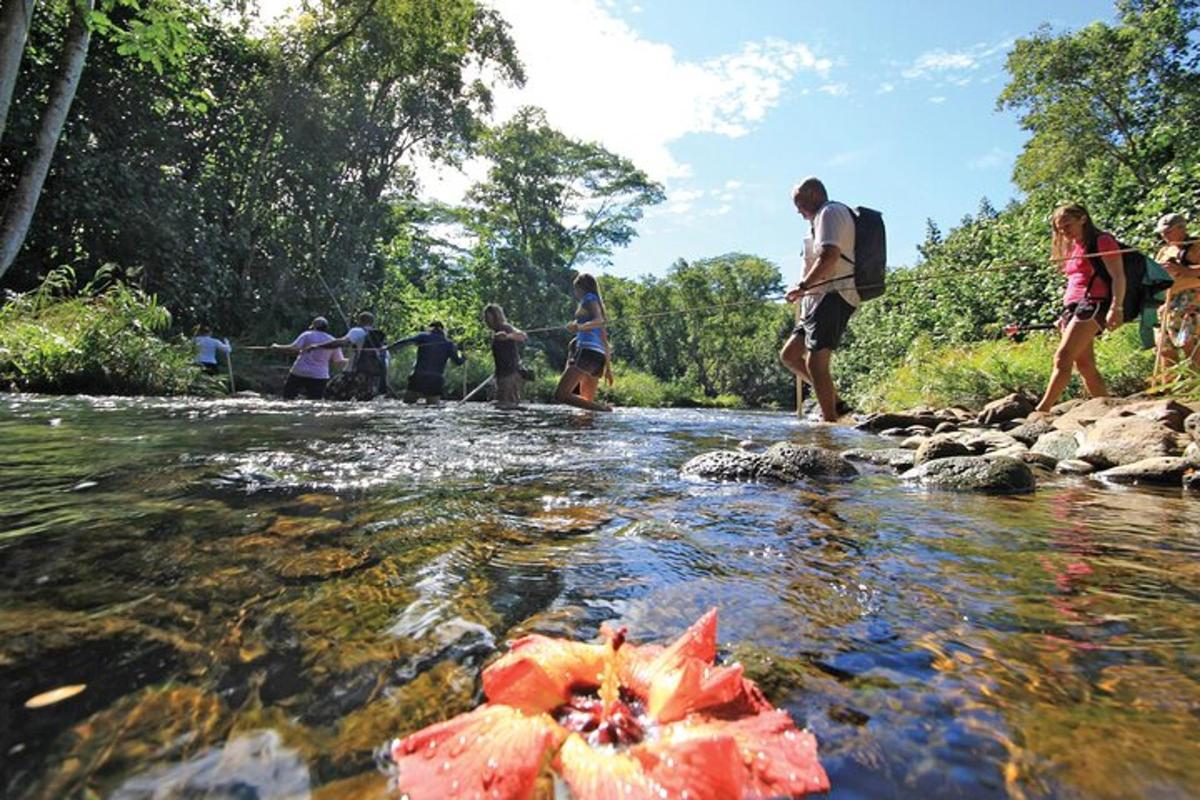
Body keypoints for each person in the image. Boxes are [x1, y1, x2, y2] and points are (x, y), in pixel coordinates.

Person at [1034, 202, 1125, 413]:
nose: (1064, 231)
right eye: (1059, 227)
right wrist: (1064, 316)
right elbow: (1075, 281)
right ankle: (1109, 410)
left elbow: (1118, 275)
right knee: (1085, 366)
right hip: (1073, 307)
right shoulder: (1075, 246)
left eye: (1067, 224)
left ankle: (1042, 409)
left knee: (1062, 357)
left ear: (1083, 219)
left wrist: (1116, 307)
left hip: (1094, 305)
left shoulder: (1102, 241)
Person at [779, 177, 857, 422]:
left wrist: (803, 286)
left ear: (813, 194)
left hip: (833, 295)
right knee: (790, 355)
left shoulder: (830, 213)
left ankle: (829, 423)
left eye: (799, 203)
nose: (798, 210)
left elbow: (829, 256)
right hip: (815, 301)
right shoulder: (820, 218)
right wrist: (803, 292)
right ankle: (835, 403)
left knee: (815, 363)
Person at [554, 273, 614, 412]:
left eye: (575, 289)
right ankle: (588, 431)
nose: (575, 293)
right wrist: (608, 369)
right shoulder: (597, 303)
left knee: (561, 395)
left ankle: (604, 410)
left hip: (587, 352)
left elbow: (599, 320)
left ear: (580, 288)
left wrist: (579, 327)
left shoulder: (588, 298)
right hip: (598, 357)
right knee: (586, 407)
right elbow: (604, 341)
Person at [307, 311, 390, 400]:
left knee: (329, 395)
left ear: (359, 321)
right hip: (373, 380)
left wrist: (318, 346)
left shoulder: (357, 331)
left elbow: (342, 342)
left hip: (353, 374)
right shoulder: (380, 338)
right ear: (372, 322)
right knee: (362, 404)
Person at [1154, 213, 1200, 370]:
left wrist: (1181, 270)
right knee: (1164, 348)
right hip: (1167, 305)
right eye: (1162, 232)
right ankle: (1167, 386)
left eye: (1168, 231)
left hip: (1191, 304)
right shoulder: (1164, 251)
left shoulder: (1196, 246)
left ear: (1182, 228)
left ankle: (1195, 384)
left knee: (1188, 344)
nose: (1164, 235)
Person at [389, 321, 465, 404]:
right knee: (432, 408)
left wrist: (389, 348)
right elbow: (458, 362)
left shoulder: (423, 336)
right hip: (435, 380)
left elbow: (406, 342)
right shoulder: (449, 344)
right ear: (443, 330)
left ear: (430, 328)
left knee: (407, 404)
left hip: (418, 377)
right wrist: (464, 357)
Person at [272, 316, 347, 400]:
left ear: (314, 326)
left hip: (299, 372)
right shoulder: (333, 340)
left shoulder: (307, 335)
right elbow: (338, 361)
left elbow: (294, 349)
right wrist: (351, 359)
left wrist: (277, 347)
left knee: (288, 398)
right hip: (320, 375)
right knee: (315, 402)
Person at [483, 304, 528, 408]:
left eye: (489, 318)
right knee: (501, 404)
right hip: (501, 374)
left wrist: (508, 336)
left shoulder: (505, 327)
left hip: (510, 374)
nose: (487, 321)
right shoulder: (494, 331)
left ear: (496, 317)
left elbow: (522, 336)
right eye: (485, 318)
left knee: (508, 405)